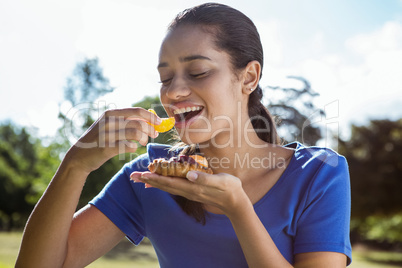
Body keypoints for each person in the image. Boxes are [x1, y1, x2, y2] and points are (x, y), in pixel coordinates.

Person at [16, 3, 352, 267]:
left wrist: (239, 210)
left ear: (248, 78)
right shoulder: (150, 176)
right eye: (165, 79)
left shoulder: (319, 174)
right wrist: (75, 163)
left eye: (198, 72)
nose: (174, 92)